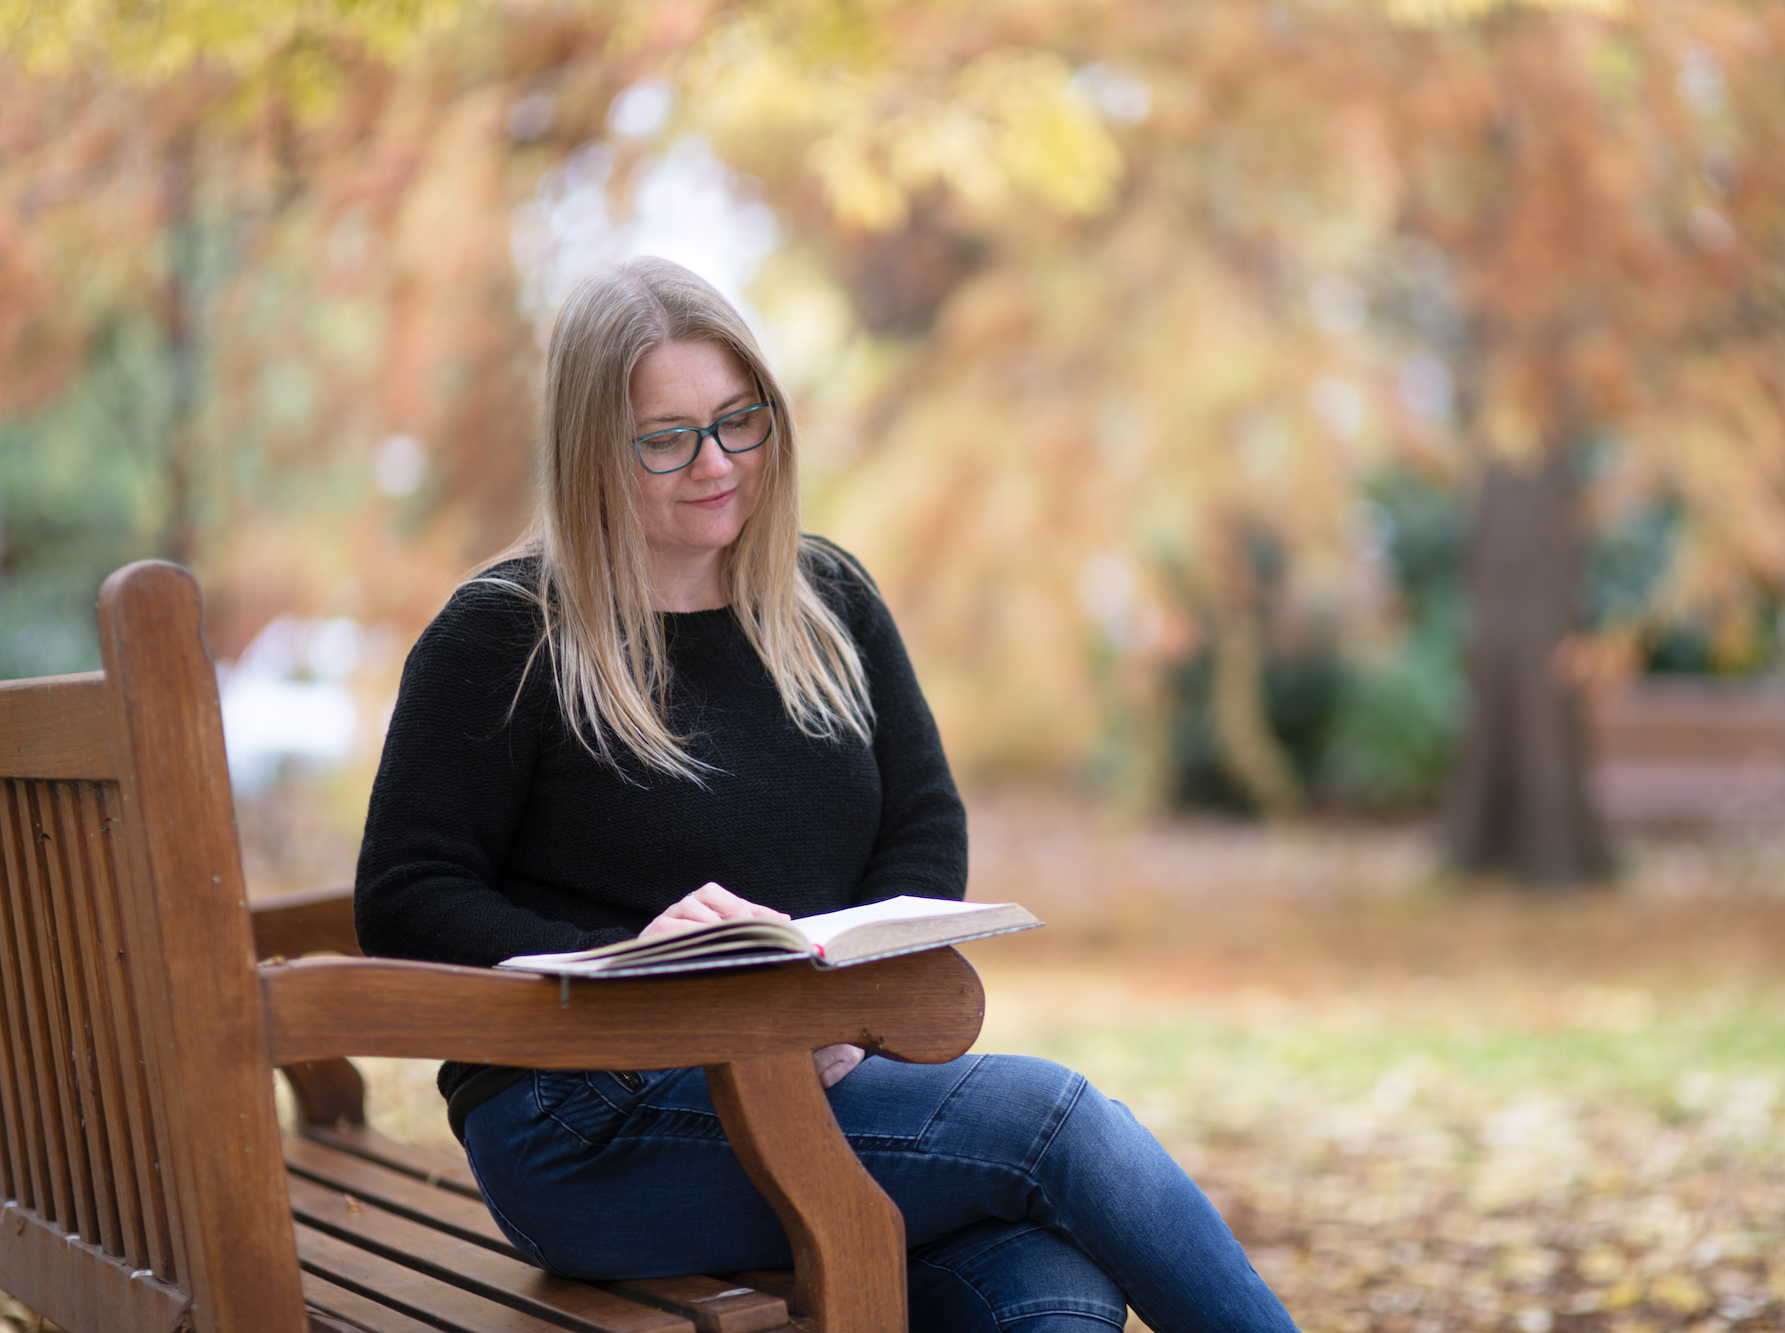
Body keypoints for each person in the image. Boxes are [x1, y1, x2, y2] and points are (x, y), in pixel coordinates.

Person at [354, 257, 1301, 1333]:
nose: (714, 462)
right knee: (1055, 1124)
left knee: (1047, 1289)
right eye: (666, 437)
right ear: (587, 453)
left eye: (738, 420)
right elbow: (405, 892)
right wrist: (626, 965)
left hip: (819, 1081)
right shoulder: (505, 633)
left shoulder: (827, 601)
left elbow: (921, 823)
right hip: (584, 1118)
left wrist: (846, 1008)